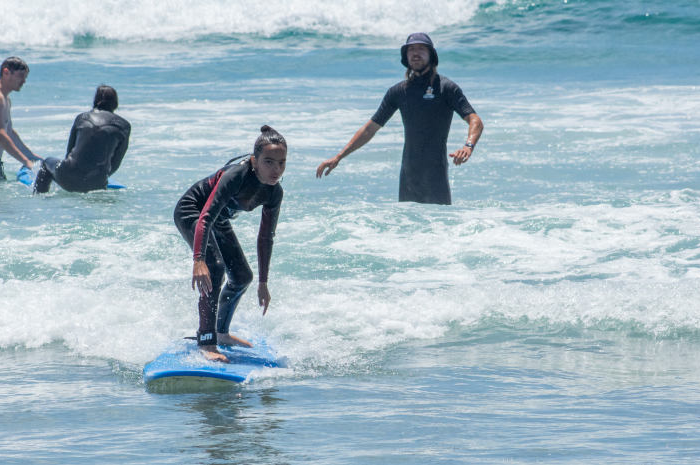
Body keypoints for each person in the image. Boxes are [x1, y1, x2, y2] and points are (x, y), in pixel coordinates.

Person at [316, 32, 484, 205]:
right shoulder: (398, 92)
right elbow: (370, 129)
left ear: (431, 55)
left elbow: (475, 120)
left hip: (436, 174)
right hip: (408, 176)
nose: (415, 53)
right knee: (406, 228)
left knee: (440, 225)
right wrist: (339, 156)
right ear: (406, 56)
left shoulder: (446, 88)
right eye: (411, 49)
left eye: (421, 49)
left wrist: (468, 146)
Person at [173, 126, 287, 363]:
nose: (276, 170)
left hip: (218, 220)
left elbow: (265, 237)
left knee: (243, 276)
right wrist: (198, 260)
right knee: (214, 268)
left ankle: (221, 333)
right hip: (193, 212)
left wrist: (263, 282)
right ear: (254, 160)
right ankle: (206, 341)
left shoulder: (274, 193)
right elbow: (205, 216)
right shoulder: (236, 175)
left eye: (281, 163)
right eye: (269, 162)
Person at [32, 85, 131, 193]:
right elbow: (115, 163)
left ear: (95, 100)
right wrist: (94, 176)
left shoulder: (82, 118)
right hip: (97, 183)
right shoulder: (124, 126)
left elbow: (69, 152)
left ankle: (38, 197)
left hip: (67, 177)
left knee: (46, 163)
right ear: (115, 103)